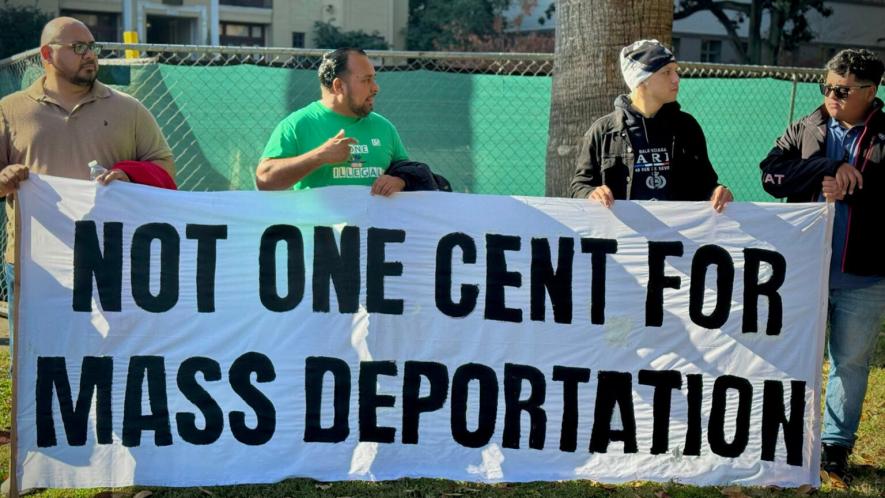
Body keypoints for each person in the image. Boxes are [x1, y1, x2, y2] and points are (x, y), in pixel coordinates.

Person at [0, 16, 175, 355]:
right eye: (78, 47)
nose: (90, 55)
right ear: (47, 55)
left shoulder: (129, 109)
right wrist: (4, 180)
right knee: (33, 360)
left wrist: (129, 175)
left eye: (93, 47)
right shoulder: (11, 111)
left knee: (110, 358)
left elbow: (165, 170)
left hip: (112, 261)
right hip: (34, 263)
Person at [759, 48, 885, 484]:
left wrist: (853, 189)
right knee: (788, 356)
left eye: (843, 90)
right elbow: (770, 175)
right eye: (827, 85)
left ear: (871, 91)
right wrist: (825, 169)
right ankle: (781, 440)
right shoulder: (808, 125)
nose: (831, 95)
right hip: (802, 272)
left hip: (865, 276)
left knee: (849, 362)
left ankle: (835, 448)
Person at [570, 39, 732, 212]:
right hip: (624, 236)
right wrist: (591, 193)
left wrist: (718, 192)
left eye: (675, 71)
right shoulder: (604, 131)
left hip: (678, 235)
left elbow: (705, 184)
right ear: (642, 81)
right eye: (666, 72)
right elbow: (579, 186)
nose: (676, 79)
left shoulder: (687, 127)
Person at [256, 47, 411, 196]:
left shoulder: (384, 127)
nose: (375, 88)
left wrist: (400, 180)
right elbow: (264, 181)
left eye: (374, 79)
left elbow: (407, 170)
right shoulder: (297, 125)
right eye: (366, 80)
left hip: (376, 223)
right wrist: (319, 156)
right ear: (338, 86)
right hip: (319, 223)